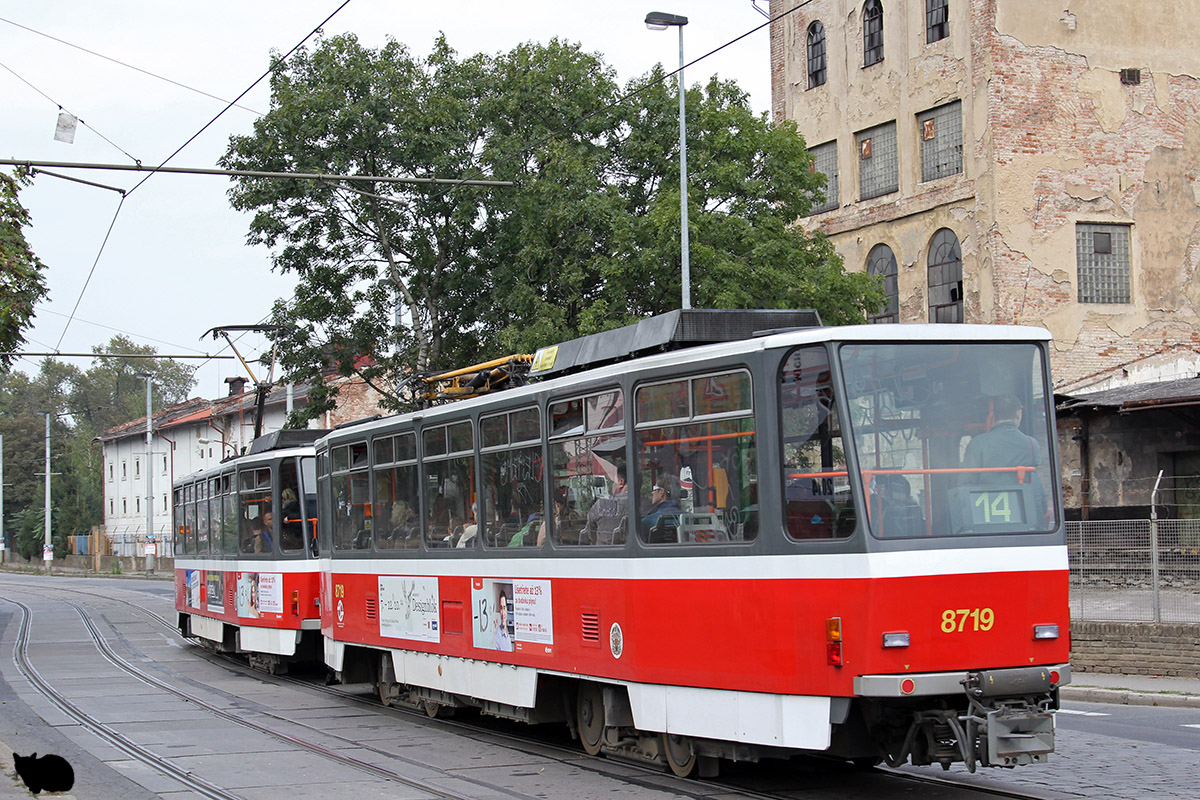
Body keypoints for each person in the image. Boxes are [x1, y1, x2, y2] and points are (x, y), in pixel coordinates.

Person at [963, 395, 1039, 483]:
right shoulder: (1032, 444)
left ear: (994, 415)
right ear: (1018, 413)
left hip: (985, 496)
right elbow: (1034, 481)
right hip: (1022, 496)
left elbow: (966, 481)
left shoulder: (977, 443)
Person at [586, 465, 628, 545]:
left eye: (613, 481)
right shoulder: (649, 506)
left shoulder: (601, 505)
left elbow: (590, 531)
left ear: (621, 482)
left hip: (604, 554)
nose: (612, 485)